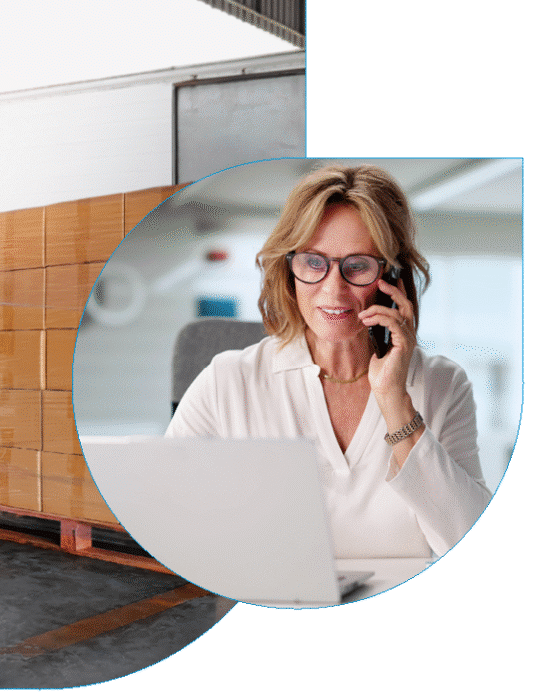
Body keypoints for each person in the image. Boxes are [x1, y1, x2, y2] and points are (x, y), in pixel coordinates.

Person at [166, 164, 492, 558]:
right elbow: (168, 531)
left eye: (357, 266)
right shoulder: (226, 383)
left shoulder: (443, 385)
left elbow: (477, 551)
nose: (333, 290)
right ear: (288, 270)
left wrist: (395, 402)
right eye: (313, 262)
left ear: (392, 278)